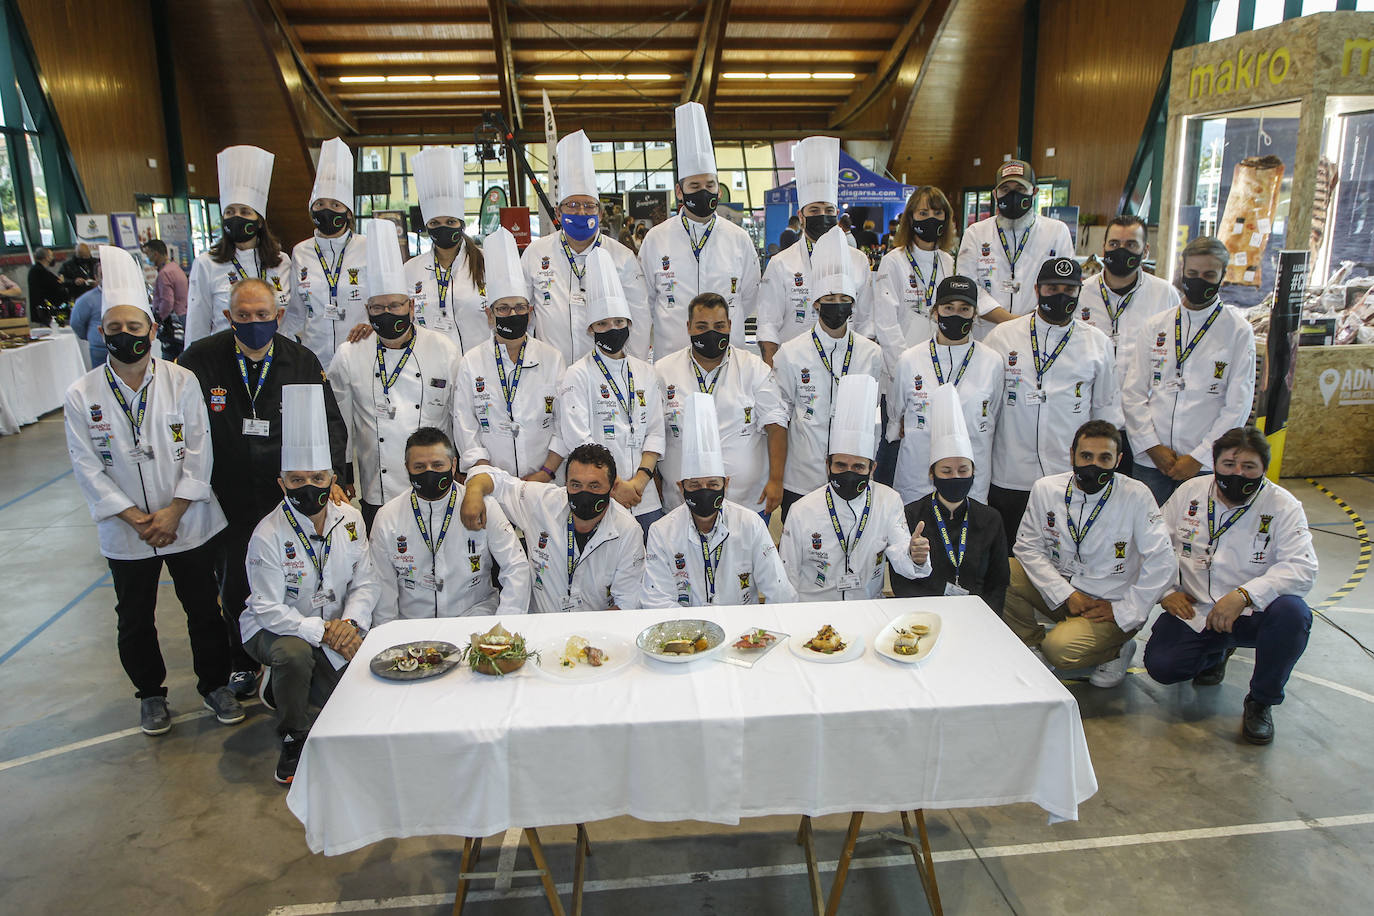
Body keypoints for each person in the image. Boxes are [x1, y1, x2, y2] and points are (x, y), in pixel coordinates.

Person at [62, 245, 243, 735]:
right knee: (135, 618)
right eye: (115, 329)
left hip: (185, 522)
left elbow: (200, 452)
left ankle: (215, 685)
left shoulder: (181, 382)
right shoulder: (82, 395)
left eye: (134, 328)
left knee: (205, 609)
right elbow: (85, 465)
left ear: (152, 330)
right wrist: (133, 517)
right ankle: (150, 694)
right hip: (128, 533)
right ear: (102, 333)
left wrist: (173, 511)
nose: (125, 337)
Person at [178, 278, 349, 698]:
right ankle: (241, 662)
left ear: (277, 316)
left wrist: (335, 479)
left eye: (261, 315)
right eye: (243, 316)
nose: (253, 322)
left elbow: (330, 424)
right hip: (227, 495)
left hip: (288, 494)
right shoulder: (200, 360)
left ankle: (300, 652)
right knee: (234, 582)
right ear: (227, 317)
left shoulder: (300, 360)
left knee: (295, 578)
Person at [1143, 427, 1318, 744]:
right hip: (1195, 608)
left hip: (1252, 612)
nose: (1238, 474)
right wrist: (1166, 592)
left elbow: (1303, 567)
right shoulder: (1190, 492)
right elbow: (1153, 546)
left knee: (1294, 614)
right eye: (1229, 465)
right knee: (1163, 667)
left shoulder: (1283, 505)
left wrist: (1245, 595)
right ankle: (1217, 653)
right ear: (1215, 464)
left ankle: (1261, 701)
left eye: (1248, 467)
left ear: (1263, 468)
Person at [241, 384, 379, 784]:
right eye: (297, 479)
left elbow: (365, 582)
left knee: (355, 697)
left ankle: (291, 688)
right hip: (277, 630)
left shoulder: (350, 519)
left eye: (318, 477)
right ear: (282, 483)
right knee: (294, 655)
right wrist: (322, 631)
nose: (309, 487)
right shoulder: (268, 533)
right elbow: (266, 607)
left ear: (332, 478)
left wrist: (350, 625)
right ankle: (292, 734)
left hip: (336, 626)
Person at [1005, 420, 1175, 687]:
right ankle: (1031, 645)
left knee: (1059, 650)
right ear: (1071, 454)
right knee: (1004, 571)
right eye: (1086, 456)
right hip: (1066, 595)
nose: (1093, 465)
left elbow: (1163, 561)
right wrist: (1065, 593)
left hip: (1109, 604)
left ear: (1118, 460)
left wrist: (1125, 610)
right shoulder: (1046, 489)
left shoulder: (1136, 495)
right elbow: (1027, 547)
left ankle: (1118, 648)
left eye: (1104, 458)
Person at [328, 220, 463, 530]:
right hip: (378, 486)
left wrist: (461, 466)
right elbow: (338, 420)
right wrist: (343, 472)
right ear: (367, 310)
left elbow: (459, 414)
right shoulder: (350, 354)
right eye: (377, 307)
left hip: (438, 479)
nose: (387, 313)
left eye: (394, 305)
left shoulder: (443, 349)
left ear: (411, 306)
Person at [985, 257, 1123, 547]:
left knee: (1063, 554)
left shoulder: (1097, 343)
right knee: (1009, 559)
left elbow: (1105, 415)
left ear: (1078, 293)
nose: (1060, 296)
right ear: (1037, 290)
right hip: (1010, 474)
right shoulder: (1002, 337)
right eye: (1052, 288)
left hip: (1069, 475)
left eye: (1068, 289)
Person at [1122, 236, 1256, 506]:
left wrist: (1201, 456)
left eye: (1209, 275)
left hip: (1204, 464)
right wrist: (1152, 446)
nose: (1198, 281)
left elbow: (1237, 405)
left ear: (1222, 276)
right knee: (1145, 534)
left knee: (1195, 538)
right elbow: (1133, 392)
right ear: (1182, 271)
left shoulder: (1238, 331)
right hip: (1152, 461)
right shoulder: (1156, 326)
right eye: (1192, 273)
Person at [781, 375, 931, 601]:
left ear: (872, 469)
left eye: (858, 467)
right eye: (840, 465)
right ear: (827, 465)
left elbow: (901, 554)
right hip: (814, 611)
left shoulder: (888, 501)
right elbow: (787, 577)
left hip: (868, 608)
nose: (849, 473)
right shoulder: (802, 510)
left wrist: (914, 555)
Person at [642, 394, 795, 608]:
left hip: (742, 633)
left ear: (726, 484)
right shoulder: (662, 531)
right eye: (694, 485)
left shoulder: (750, 524)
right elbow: (656, 601)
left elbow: (779, 592)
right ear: (680, 487)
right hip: (683, 633)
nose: (704, 491)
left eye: (713, 485)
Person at [773, 226, 883, 520]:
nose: (837, 305)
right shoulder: (790, 353)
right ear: (816, 303)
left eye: (843, 298)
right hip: (802, 475)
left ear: (853, 304)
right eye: (830, 298)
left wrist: (868, 468)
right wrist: (776, 477)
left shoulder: (871, 354)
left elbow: (875, 419)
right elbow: (779, 419)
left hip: (854, 475)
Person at [554, 247, 666, 536]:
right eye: (603, 324)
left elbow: (655, 431)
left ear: (629, 324)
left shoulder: (645, 372)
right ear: (591, 330)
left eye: (618, 322)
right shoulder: (577, 375)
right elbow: (579, 441)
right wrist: (616, 487)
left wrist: (639, 482)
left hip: (645, 496)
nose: (612, 329)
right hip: (600, 496)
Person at [368, 427, 530, 624]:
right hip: (413, 625)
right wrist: (387, 637)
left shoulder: (484, 506)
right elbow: (382, 586)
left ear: (453, 465)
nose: (429, 473)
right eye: (419, 467)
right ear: (407, 468)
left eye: (437, 465)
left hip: (474, 619)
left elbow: (515, 566)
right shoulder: (388, 517)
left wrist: (504, 626)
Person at [460, 443, 646, 613]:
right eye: (575, 485)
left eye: (594, 486)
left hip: (596, 636)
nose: (584, 493)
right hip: (540, 630)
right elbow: (493, 479)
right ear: (565, 484)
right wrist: (474, 492)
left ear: (612, 488)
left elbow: (626, 604)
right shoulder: (542, 502)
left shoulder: (629, 531)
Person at [639, 102, 762, 357]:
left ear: (718, 187)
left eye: (710, 184)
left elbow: (749, 297)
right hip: (672, 360)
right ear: (679, 191)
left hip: (728, 359)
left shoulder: (738, 238)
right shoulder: (656, 239)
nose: (704, 191)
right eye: (694, 186)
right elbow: (646, 302)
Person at [522, 130, 650, 364]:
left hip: (607, 378)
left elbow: (639, 319)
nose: (581, 212)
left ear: (600, 213)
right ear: (559, 212)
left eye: (588, 206)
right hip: (551, 374)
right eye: (572, 205)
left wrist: (630, 371)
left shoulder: (622, 257)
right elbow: (526, 318)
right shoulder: (536, 254)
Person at [655, 292, 786, 516]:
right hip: (680, 506)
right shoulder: (663, 371)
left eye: (719, 325)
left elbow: (776, 425)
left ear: (730, 326)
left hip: (746, 503)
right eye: (702, 326)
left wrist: (776, 480)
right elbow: (653, 435)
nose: (711, 333)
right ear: (688, 327)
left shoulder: (753, 368)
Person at [453, 226, 567, 479]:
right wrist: (487, 475)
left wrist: (546, 472)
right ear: (489, 315)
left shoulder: (552, 358)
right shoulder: (471, 363)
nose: (512, 314)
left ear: (530, 310)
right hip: (491, 485)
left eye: (519, 307)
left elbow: (564, 423)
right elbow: (465, 426)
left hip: (546, 483)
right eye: (503, 309)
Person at [1074, 215, 1180, 475]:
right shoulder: (1080, 293)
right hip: (1092, 422)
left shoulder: (1164, 294)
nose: (1121, 251)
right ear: (1103, 248)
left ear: (1145, 250)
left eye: (1131, 245)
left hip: (1145, 427)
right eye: (1114, 244)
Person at [756, 136, 875, 365]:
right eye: (814, 209)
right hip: (793, 368)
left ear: (837, 213)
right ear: (801, 216)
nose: (822, 215)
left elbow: (866, 321)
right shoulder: (781, 264)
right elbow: (768, 325)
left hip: (847, 365)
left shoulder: (858, 261)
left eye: (828, 209)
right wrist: (773, 373)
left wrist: (863, 366)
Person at [891, 384, 1010, 613]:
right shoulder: (912, 514)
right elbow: (900, 583)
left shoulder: (990, 519)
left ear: (974, 472)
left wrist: (986, 617)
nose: (955, 476)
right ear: (932, 474)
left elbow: (999, 582)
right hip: (922, 616)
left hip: (977, 616)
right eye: (946, 471)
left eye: (963, 470)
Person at [888, 276, 1003, 506]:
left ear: (975, 314)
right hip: (917, 480)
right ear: (935, 312)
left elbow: (995, 413)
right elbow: (895, 413)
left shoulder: (993, 361)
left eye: (964, 309)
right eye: (948, 308)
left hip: (971, 481)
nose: (955, 315)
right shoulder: (909, 360)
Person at [185, 145, 292, 346]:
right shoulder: (206, 264)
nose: (236, 217)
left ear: (259, 221)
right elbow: (197, 323)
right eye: (230, 212)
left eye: (245, 212)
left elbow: (293, 316)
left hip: (276, 356)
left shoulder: (281, 261)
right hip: (225, 356)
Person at [956, 159, 1073, 338]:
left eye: (1020, 189)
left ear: (1034, 192)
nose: (1012, 196)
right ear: (995, 194)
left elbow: (1063, 285)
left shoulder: (1057, 231)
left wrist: (1031, 322)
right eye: (1005, 190)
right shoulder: (976, 233)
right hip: (987, 333)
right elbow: (968, 287)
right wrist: (1011, 322)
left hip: (1038, 333)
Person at [287, 137, 368, 371]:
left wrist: (371, 325)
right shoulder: (300, 251)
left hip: (359, 355)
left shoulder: (367, 246)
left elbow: (383, 301)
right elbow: (295, 311)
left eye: (335, 205)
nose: (326, 211)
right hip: (313, 357)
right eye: (320, 204)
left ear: (348, 213)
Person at [403, 146, 489, 355]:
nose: (443, 227)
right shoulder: (410, 270)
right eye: (435, 222)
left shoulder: (488, 262)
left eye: (450, 221)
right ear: (426, 225)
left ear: (461, 224)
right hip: (431, 367)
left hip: (481, 368)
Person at [874, 187, 961, 363]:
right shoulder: (893, 261)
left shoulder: (948, 262)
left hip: (941, 360)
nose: (931, 219)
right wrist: (905, 364)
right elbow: (886, 324)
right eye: (923, 213)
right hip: (901, 361)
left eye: (938, 213)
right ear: (911, 219)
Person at [145, 239, 188, 360]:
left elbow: (167, 302)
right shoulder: (175, 268)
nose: (147, 258)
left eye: (148, 254)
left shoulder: (165, 273)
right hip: (182, 317)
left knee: (169, 357)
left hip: (173, 323)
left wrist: (158, 318)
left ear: (155, 254)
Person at [69, 274, 107, 367]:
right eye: (101, 274)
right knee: (101, 379)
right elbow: (76, 323)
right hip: (100, 349)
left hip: (127, 347)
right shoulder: (86, 299)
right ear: (96, 277)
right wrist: (91, 336)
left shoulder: (130, 295)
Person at [26, 247, 67, 326]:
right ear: (47, 258)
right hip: (45, 310)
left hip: (46, 309)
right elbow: (52, 285)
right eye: (51, 255)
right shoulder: (38, 271)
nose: (53, 258)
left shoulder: (40, 270)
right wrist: (60, 282)